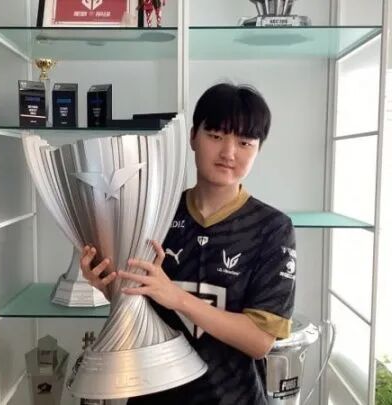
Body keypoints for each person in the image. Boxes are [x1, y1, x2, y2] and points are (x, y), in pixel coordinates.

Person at [80, 83, 296, 405]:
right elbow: (139, 306)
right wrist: (108, 284)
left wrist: (178, 298)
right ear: (193, 137)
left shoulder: (272, 228)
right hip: (152, 393)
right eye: (216, 136)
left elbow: (259, 342)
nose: (229, 153)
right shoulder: (152, 213)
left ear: (258, 149)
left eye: (244, 142)